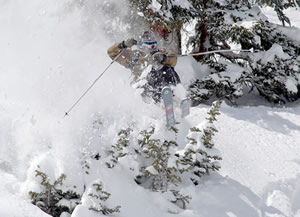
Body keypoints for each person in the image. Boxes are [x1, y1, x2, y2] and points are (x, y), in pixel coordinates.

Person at [107, 31, 181, 102]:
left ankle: (176, 96)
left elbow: (173, 59)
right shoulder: (134, 56)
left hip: (160, 86)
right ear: (141, 45)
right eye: (147, 45)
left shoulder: (159, 53)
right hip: (143, 87)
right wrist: (122, 45)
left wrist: (163, 58)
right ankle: (158, 102)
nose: (150, 48)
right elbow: (111, 53)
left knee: (168, 69)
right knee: (151, 73)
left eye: (153, 45)